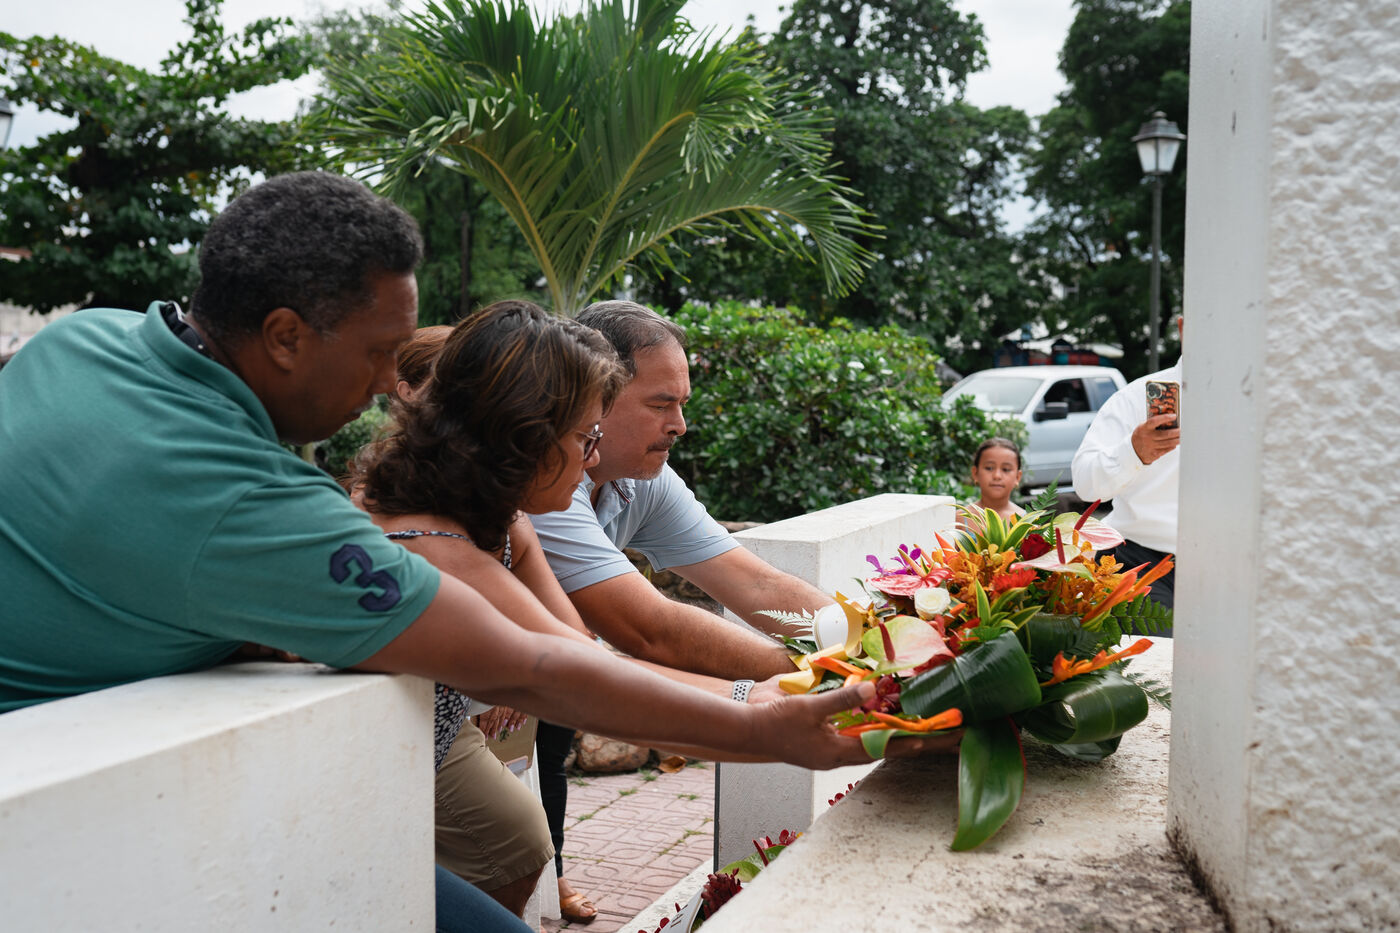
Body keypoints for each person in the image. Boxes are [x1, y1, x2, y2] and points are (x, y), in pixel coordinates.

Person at [0, 172, 880, 931]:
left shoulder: (85, 339)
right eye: (379, 352)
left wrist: (775, 690)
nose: (394, 382)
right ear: (284, 335)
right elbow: (535, 667)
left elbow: (566, 648)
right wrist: (762, 727)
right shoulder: (256, 507)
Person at [525, 301, 839, 916]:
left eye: (683, 404)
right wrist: (830, 672)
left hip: (542, 675)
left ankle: (547, 878)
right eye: (661, 404)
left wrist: (874, 636)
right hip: (473, 705)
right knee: (510, 843)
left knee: (530, 813)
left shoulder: (640, 476)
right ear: (595, 393)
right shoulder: (542, 485)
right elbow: (650, 631)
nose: (680, 425)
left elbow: (755, 584)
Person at [1071, 339, 1181, 616]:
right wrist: (1133, 452)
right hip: (1141, 560)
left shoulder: (1264, 399)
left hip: (1237, 564)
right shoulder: (1133, 399)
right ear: (1182, 328)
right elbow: (1085, 482)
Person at [959, 437, 1025, 532]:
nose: (997, 476)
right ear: (975, 473)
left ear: (1017, 477)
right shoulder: (958, 519)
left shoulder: (1027, 522)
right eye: (989, 468)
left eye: (1006, 469)